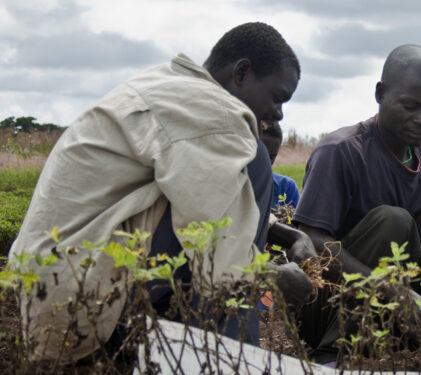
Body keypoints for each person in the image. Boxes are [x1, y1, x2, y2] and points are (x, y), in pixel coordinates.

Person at [9, 22, 313, 362]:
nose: (278, 114)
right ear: (241, 72)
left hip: (53, 295)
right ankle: (224, 361)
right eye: (277, 97)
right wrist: (273, 276)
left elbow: (191, 188)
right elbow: (223, 261)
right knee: (254, 160)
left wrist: (281, 232)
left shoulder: (174, 92)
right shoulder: (215, 114)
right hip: (84, 303)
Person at [292, 44, 421, 363]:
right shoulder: (341, 151)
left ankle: (415, 333)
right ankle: (335, 352)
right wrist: (386, 287)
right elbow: (311, 241)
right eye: (411, 106)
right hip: (328, 311)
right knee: (394, 221)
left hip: (403, 305)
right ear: (381, 93)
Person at [259, 121, 301, 209]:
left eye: (272, 157)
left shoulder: (286, 188)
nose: (266, 163)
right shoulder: (233, 186)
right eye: (261, 156)